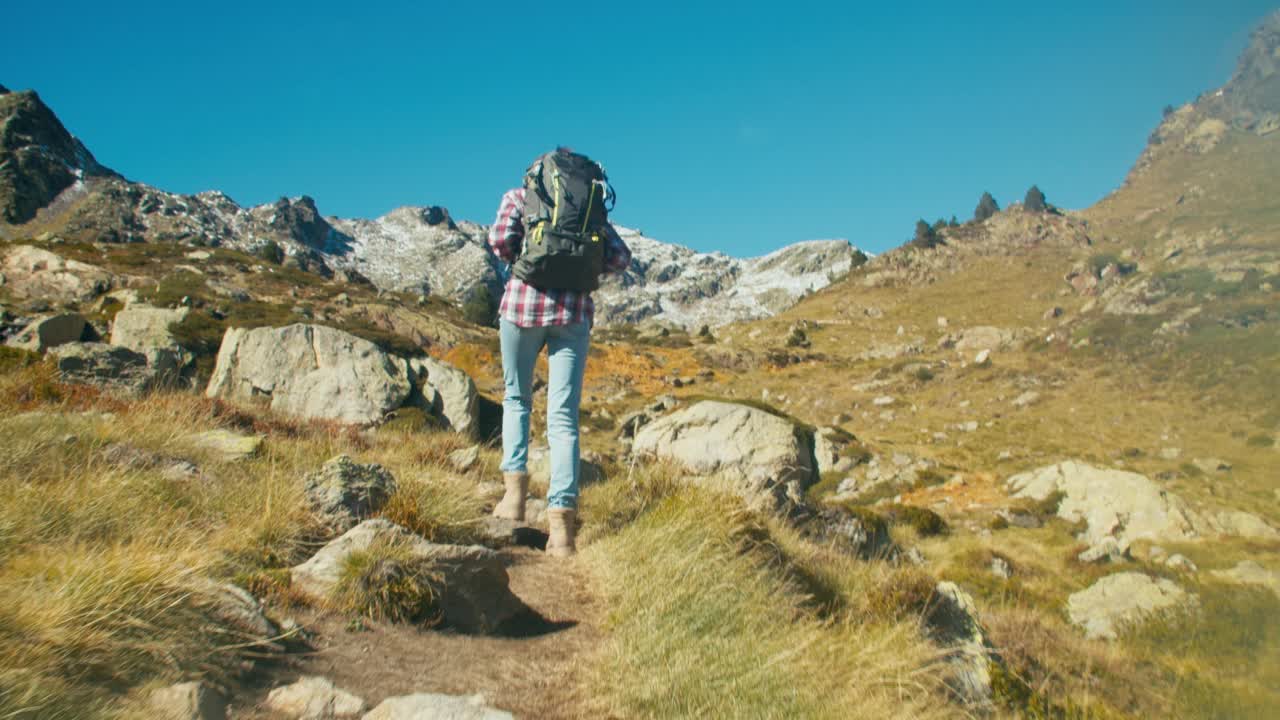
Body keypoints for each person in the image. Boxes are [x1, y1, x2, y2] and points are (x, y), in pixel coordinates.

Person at [486, 148, 632, 558]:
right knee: (563, 418)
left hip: (521, 307)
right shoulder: (592, 210)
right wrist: (582, 270)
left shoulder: (520, 197)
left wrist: (529, 260)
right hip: (573, 315)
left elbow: (499, 240)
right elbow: (621, 257)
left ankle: (514, 500)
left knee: (517, 399)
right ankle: (562, 533)